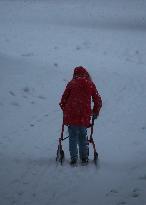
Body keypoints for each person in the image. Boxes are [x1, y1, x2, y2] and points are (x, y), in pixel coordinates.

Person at [59, 66, 102, 165]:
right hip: (84, 116)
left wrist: (65, 110)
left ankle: (73, 158)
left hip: (72, 115)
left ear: (75, 74)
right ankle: (84, 158)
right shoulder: (90, 84)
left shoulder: (71, 84)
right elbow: (98, 100)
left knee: (73, 136)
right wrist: (95, 112)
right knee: (83, 135)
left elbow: (63, 101)